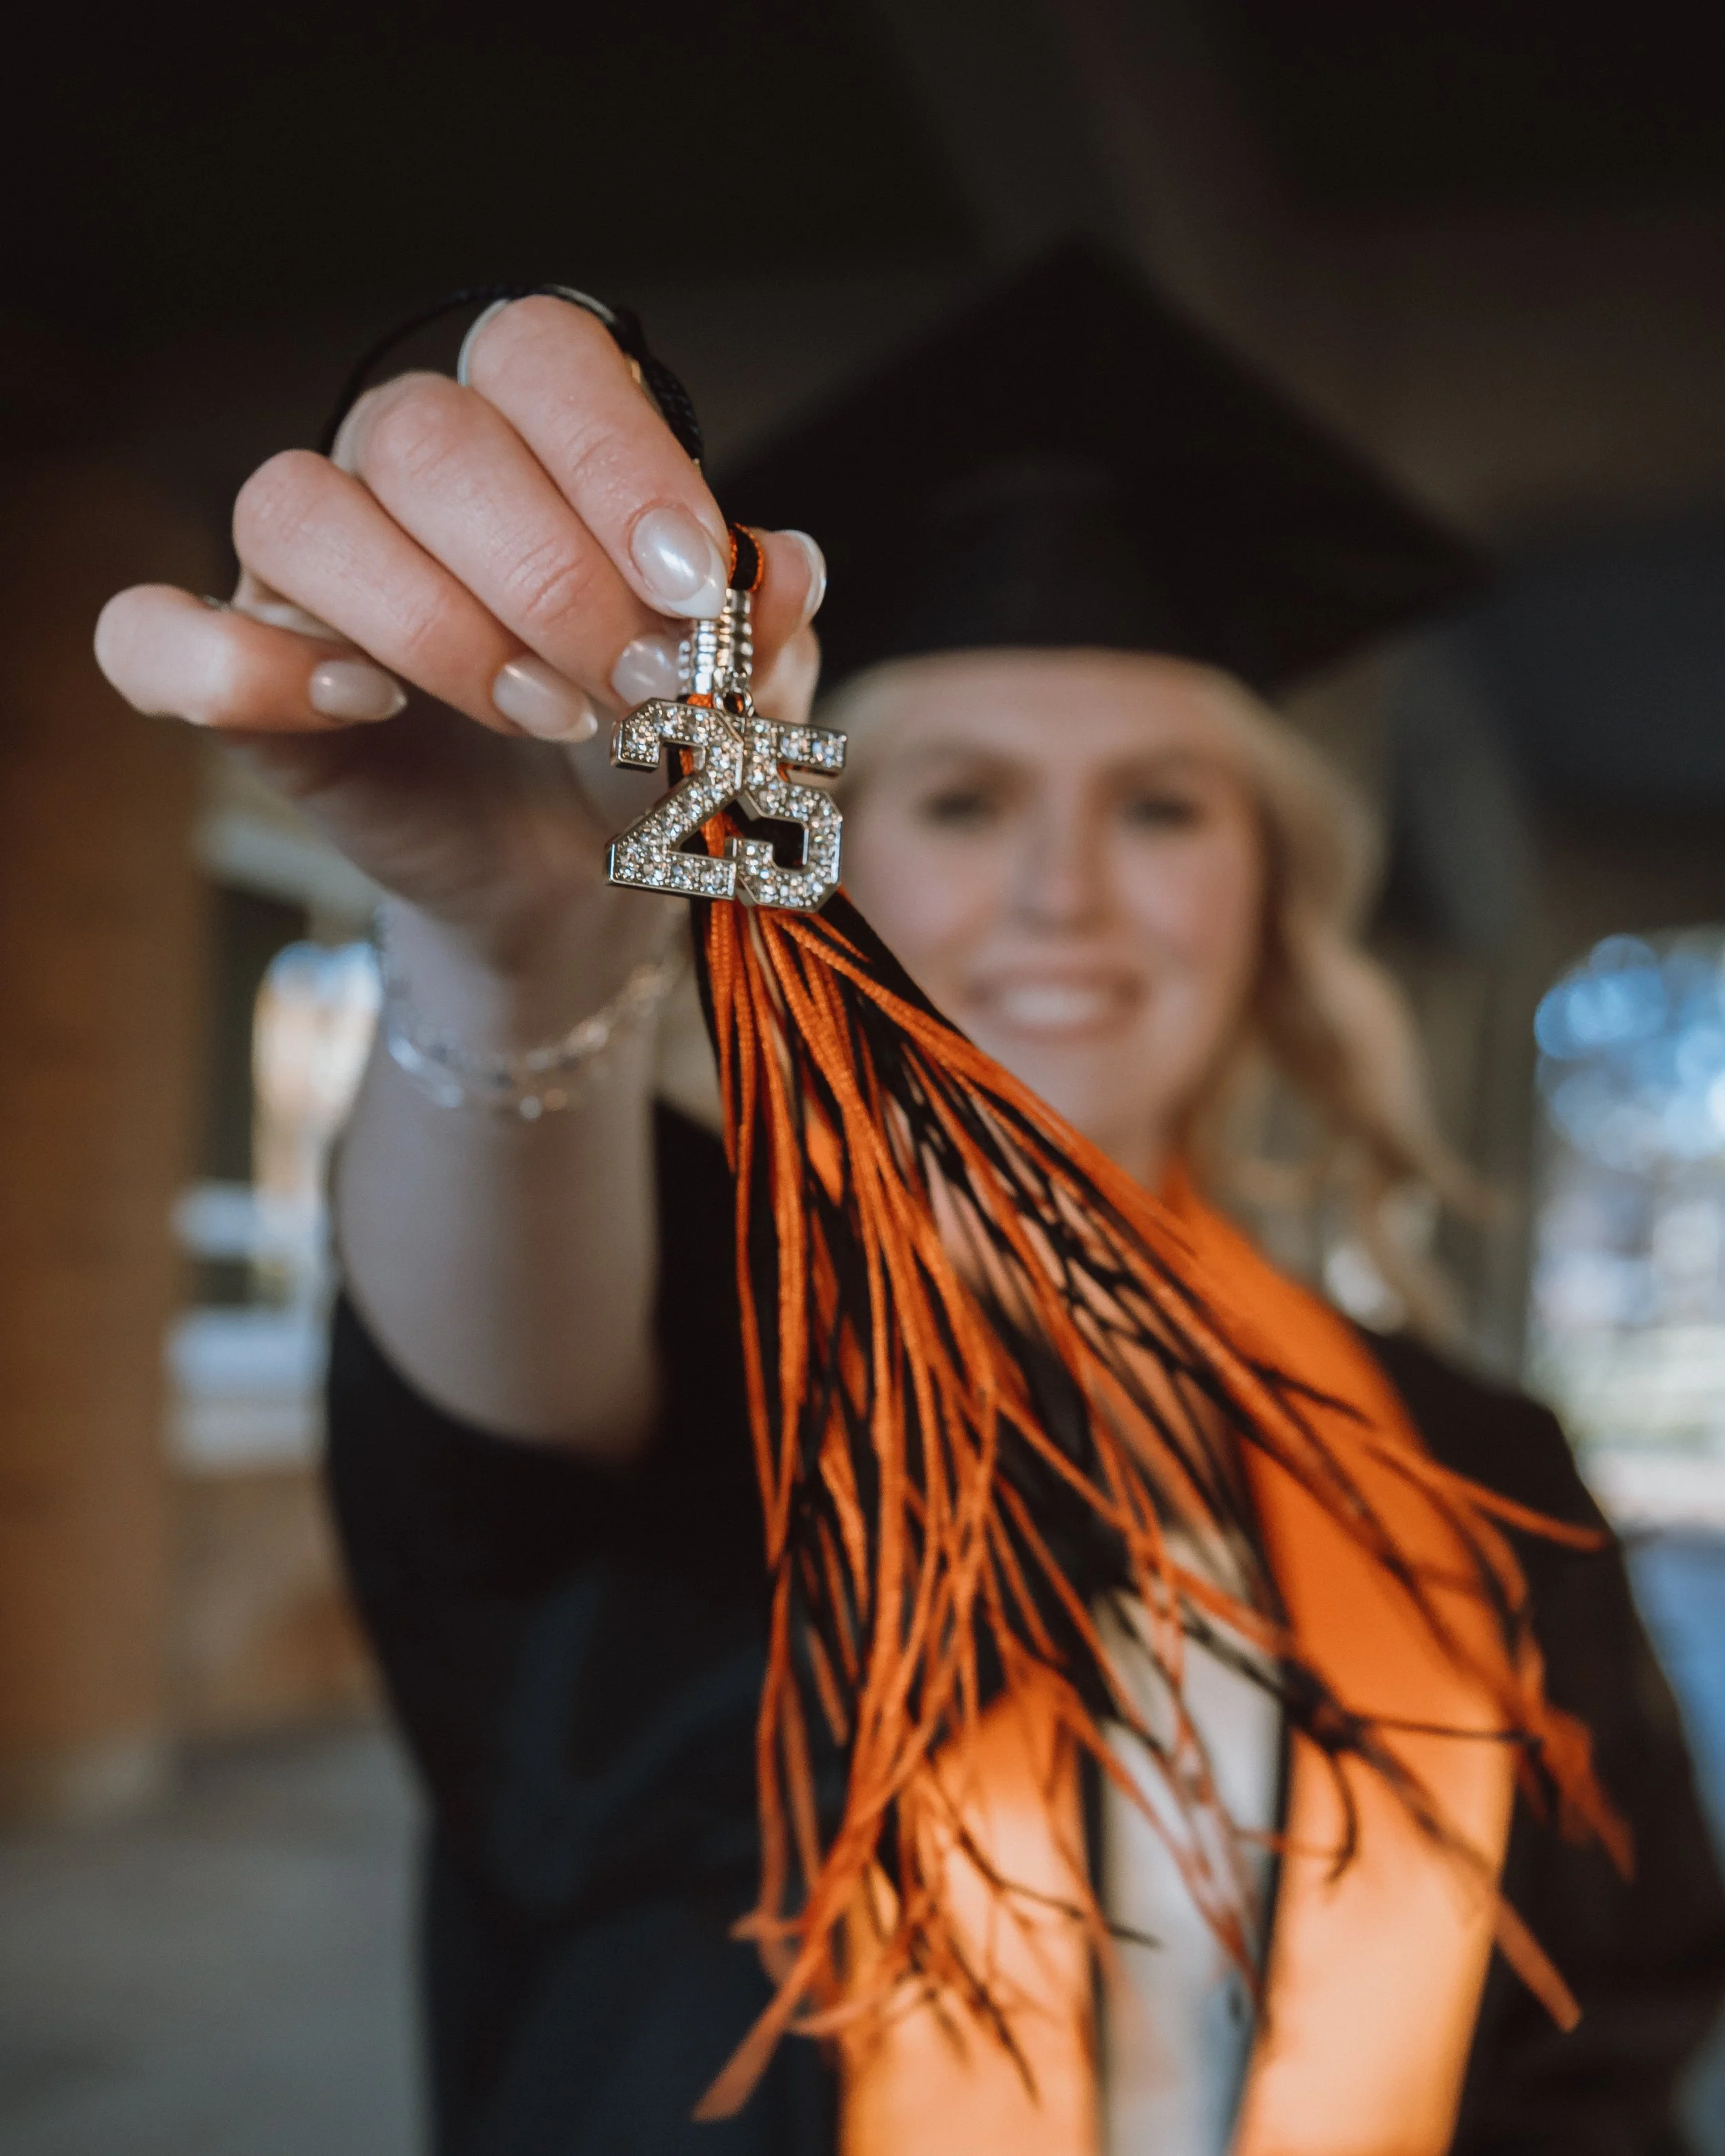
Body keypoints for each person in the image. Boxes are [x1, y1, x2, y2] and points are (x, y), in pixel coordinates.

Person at [96, 246, 1725, 2153]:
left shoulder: (1475, 1469)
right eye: (958, 800)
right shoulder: (696, 1316)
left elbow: (1595, 2056)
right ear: (813, 856)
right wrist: (511, 954)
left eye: (1160, 806)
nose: (1064, 891)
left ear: (1270, 898)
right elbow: (505, 1386)